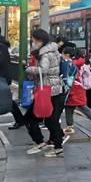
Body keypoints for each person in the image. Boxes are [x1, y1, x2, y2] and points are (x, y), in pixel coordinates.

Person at [24, 29, 65, 158]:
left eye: (33, 40)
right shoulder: (52, 51)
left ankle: (55, 146)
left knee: (42, 119)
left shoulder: (45, 54)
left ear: (40, 41)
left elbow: (43, 70)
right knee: (49, 119)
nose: (32, 43)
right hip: (53, 89)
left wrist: (28, 69)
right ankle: (46, 143)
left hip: (48, 91)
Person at [62, 48, 91, 136]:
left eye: (63, 54)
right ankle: (70, 126)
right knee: (70, 107)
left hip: (74, 89)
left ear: (67, 55)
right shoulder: (80, 62)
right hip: (77, 88)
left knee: (82, 107)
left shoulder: (72, 63)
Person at [0, 25, 23, 130]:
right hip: (1, 76)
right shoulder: (0, 44)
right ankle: (20, 120)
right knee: (4, 98)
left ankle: (20, 120)